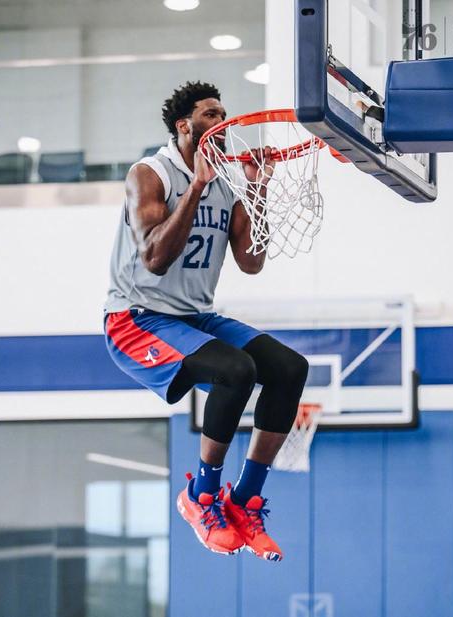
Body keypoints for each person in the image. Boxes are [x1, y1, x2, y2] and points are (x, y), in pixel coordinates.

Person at [104, 81, 308, 562]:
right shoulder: (150, 173)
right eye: (211, 114)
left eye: (223, 113)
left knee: (289, 369)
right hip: (136, 318)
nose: (222, 120)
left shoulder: (228, 179)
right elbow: (155, 258)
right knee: (235, 370)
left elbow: (251, 262)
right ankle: (201, 497)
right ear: (185, 126)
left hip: (195, 317)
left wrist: (257, 188)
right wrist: (195, 186)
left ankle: (244, 502)